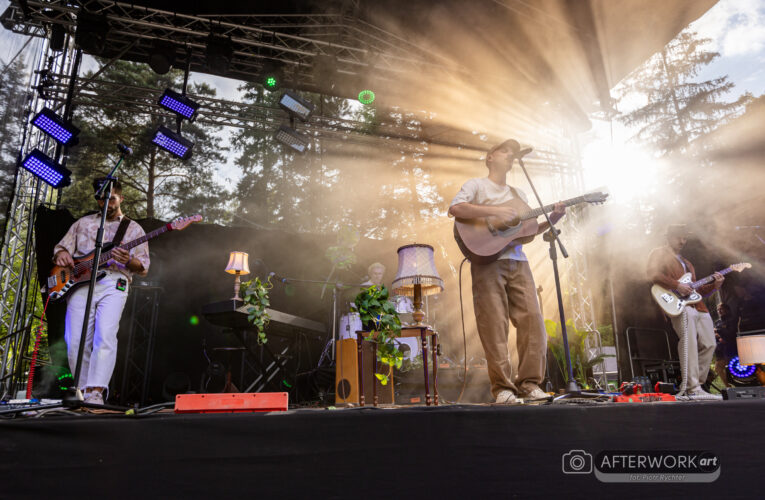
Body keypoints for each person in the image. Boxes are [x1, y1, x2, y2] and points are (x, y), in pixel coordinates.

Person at [448, 138, 566, 403]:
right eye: (505, 151)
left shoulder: (519, 193)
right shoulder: (476, 185)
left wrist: (553, 219)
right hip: (487, 261)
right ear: (490, 157)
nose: (511, 156)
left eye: (513, 153)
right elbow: (456, 209)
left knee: (533, 322)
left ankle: (529, 385)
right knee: (494, 324)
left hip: (518, 262)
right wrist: (496, 212)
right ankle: (502, 389)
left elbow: (527, 230)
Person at [53, 178, 150, 404]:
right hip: (80, 283)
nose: (106, 202)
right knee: (75, 338)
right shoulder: (83, 223)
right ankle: (81, 389)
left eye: (111, 198)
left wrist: (129, 260)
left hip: (114, 281)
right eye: (101, 198)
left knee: (105, 335)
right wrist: (61, 255)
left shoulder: (134, 228)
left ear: (121, 198)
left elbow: (143, 267)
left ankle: (96, 391)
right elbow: (61, 248)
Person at [646, 224, 723, 399]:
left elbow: (696, 291)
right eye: (678, 237)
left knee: (710, 343)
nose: (682, 241)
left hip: (699, 306)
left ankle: (696, 386)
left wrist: (715, 286)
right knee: (689, 342)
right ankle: (692, 387)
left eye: (684, 238)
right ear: (668, 237)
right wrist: (677, 285)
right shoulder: (658, 253)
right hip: (678, 306)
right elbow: (652, 273)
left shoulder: (687, 263)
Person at [713, 303, 738, 387]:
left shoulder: (732, 320)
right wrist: (716, 335)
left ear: (727, 310)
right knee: (718, 368)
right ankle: (728, 386)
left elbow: (731, 333)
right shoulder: (717, 322)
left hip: (730, 348)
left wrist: (719, 331)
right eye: (718, 309)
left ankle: (736, 385)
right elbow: (716, 334)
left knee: (732, 369)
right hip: (720, 349)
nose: (719, 311)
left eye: (721, 309)